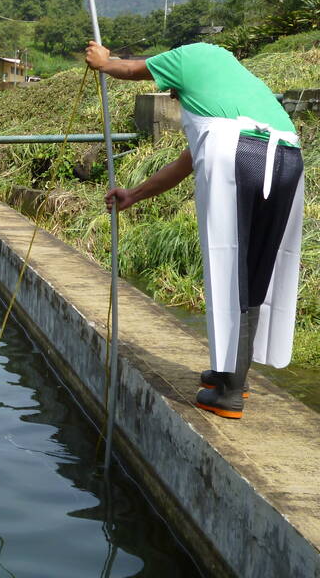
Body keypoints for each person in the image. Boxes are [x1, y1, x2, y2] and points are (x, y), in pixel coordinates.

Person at [85, 41, 304, 420]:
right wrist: (133, 195)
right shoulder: (238, 90)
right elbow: (187, 161)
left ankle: (230, 393)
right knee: (257, 268)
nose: (170, 91)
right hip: (287, 157)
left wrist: (104, 63)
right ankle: (232, 373)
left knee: (228, 265)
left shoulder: (193, 54)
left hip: (237, 155)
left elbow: (133, 69)